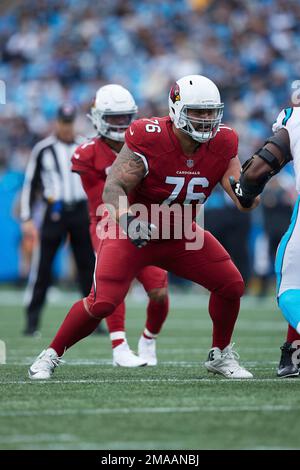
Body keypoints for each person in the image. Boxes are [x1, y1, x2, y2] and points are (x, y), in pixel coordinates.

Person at [29, 74, 259, 380]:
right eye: (198, 112)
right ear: (176, 110)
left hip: (181, 233)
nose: (206, 119)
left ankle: (220, 354)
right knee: (103, 303)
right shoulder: (149, 135)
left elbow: (241, 199)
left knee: (231, 284)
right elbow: (113, 187)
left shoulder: (225, 140)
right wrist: (128, 220)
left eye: (210, 111)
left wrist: (255, 185)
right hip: (132, 231)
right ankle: (50, 355)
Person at [71, 84, 169, 367]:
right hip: (105, 225)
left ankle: (149, 339)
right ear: (99, 118)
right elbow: (102, 198)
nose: (120, 123)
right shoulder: (87, 153)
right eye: (113, 118)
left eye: (124, 117)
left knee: (159, 291)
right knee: (114, 287)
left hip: (144, 223)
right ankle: (119, 347)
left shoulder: (145, 146)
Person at [229, 106, 300, 378]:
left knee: (291, 288)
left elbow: (258, 169)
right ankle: (293, 354)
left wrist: (245, 191)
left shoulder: (294, 117)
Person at [20, 104, 95, 335]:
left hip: (81, 211)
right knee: (42, 267)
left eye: (70, 122)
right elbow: (30, 184)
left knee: (87, 266)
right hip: (55, 211)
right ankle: (32, 321)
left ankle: (93, 320)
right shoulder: (43, 149)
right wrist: (27, 216)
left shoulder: (85, 145)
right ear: (57, 123)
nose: (66, 127)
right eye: (63, 122)